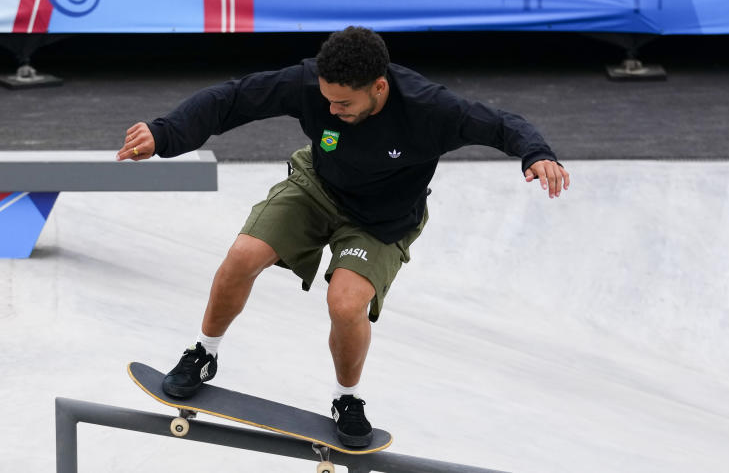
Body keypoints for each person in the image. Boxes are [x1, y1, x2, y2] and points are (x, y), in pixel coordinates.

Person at [115, 26, 570, 447]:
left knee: (346, 303)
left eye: (344, 105)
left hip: (382, 221)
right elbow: (232, 98)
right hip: (317, 187)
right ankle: (203, 354)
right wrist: (165, 133)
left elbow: (501, 123)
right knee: (242, 255)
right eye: (327, 101)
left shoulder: (432, 109)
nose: (332, 110)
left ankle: (346, 398)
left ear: (379, 87)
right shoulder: (310, 83)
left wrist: (537, 154)